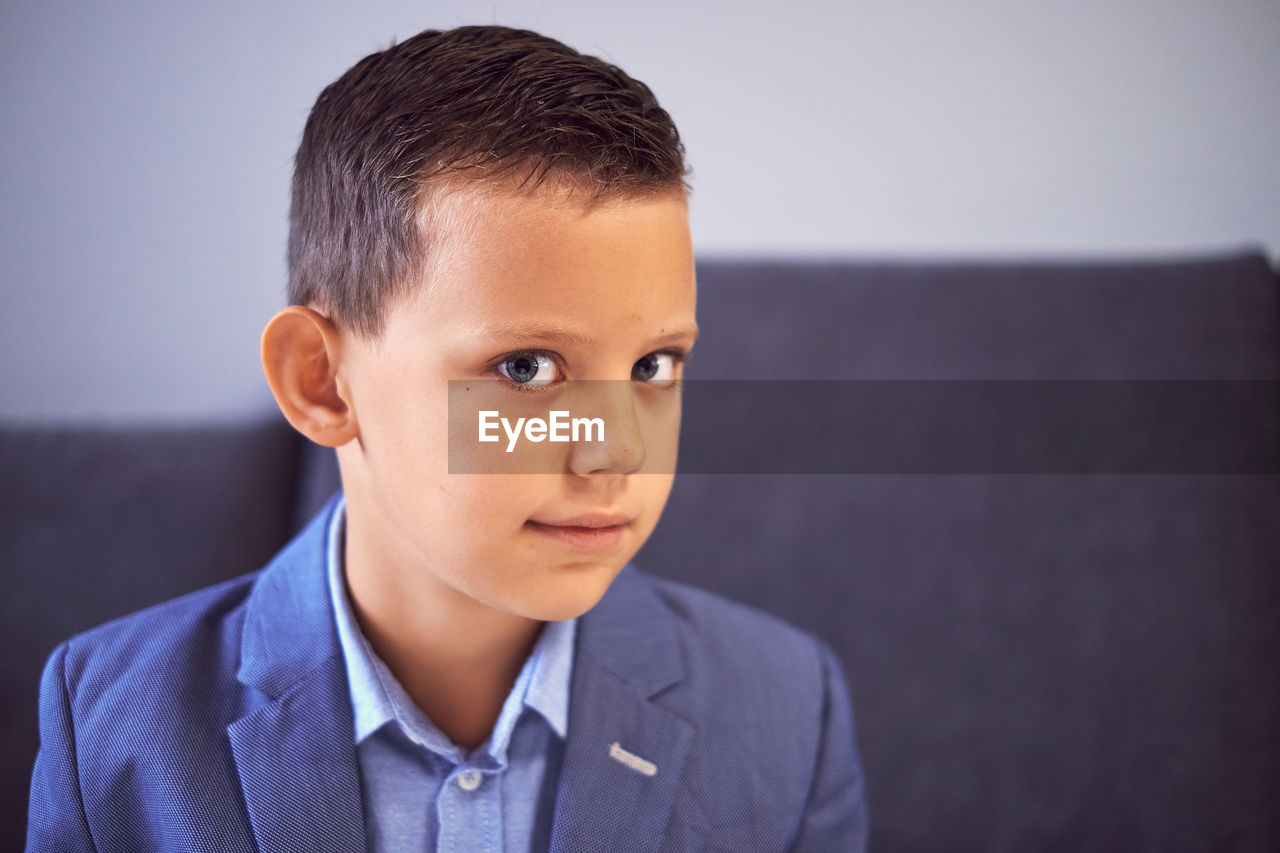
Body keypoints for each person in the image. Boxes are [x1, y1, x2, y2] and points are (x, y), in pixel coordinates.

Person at [26, 25, 868, 852]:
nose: (615, 450)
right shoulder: (113, 724)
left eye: (653, 365)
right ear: (322, 381)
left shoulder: (788, 711)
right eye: (527, 368)